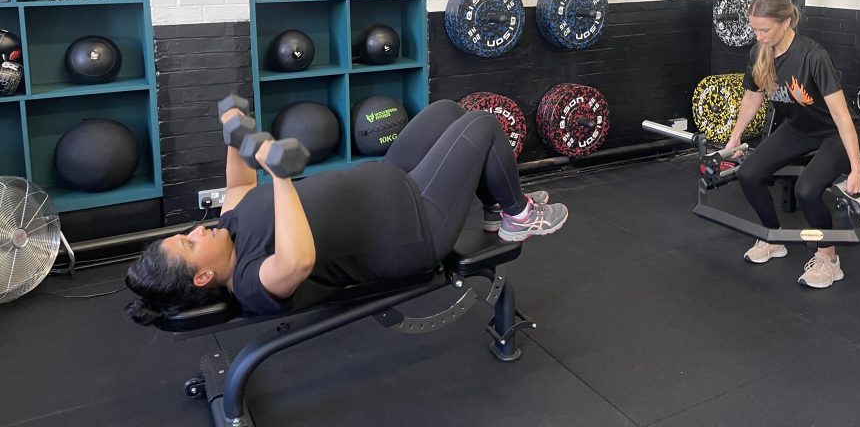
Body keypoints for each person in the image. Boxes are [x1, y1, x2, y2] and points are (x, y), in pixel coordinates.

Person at [125, 99, 567, 323]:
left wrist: (233, 130)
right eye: (189, 243)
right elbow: (298, 261)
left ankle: (494, 207)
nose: (198, 231)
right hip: (415, 226)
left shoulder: (229, 224)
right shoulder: (250, 281)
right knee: (482, 125)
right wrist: (279, 175)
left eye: (187, 232)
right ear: (202, 277)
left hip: (394, 177)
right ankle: (518, 216)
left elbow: (240, 182)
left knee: (447, 111)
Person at [723, 0, 860, 289]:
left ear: (786, 22)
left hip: (831, 134)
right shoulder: (759, 53)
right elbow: (752, 98)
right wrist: (735, 136)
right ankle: (772, 237)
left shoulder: (813, 56)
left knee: (807, 190)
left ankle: (828, 258)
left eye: (765, 30)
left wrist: (856, 167)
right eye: (755, 29)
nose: (758, 36)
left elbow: (841, 116)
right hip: (797, 128)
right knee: (748, 174)